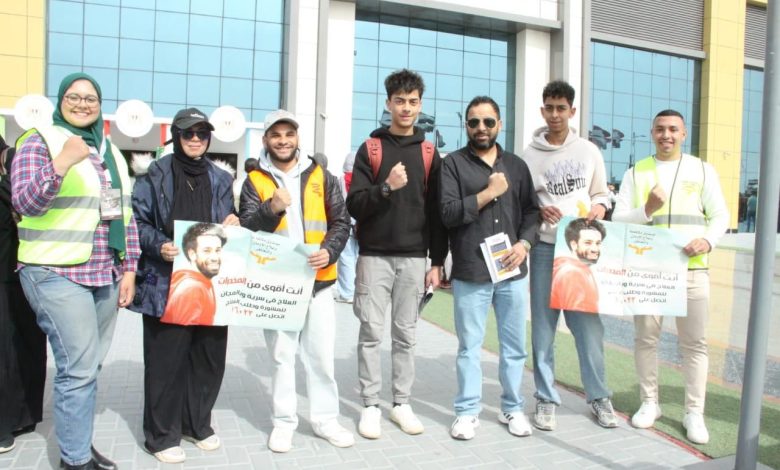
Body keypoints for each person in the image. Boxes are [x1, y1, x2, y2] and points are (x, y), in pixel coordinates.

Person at [11, 72, 140, 470]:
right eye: (74, 96)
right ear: (60, 100)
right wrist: (62, 163)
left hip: (104, 273)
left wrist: (129, 268)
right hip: (54, 270)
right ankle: (75, 459)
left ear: (100, 105)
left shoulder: (108, 150)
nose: (83, 104)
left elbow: (122, 213)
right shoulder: (39, 140)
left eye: (91, 98)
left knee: (88, 366)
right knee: (79, 368)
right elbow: (24, 203)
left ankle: (78, 445)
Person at [612, 109, 729, 445]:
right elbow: (618, 220)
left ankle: (694, 412)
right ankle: (650, 402)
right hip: (650, 272)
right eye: (661, 129)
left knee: (695, 344)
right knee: (646, 339)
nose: (667, 135)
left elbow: (720, 215)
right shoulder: (636, 172)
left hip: (693, 269)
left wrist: (708, 240)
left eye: (673, 129)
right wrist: (647, 209)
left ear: (684, 134)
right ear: (652, 133)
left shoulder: (702, 170)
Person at [239, 109, 353, 452]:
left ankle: (325, 420)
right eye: (276, 135)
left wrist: (329, 251)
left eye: (289, 134)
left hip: (318, 281)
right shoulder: (254, 181)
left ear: (298, 137)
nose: (283, 141)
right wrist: (271, 208)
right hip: (276, 284)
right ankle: (284, 422)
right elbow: (247, 230)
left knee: (321, 358)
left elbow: (341, 221)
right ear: (265, 140)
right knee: (281, 357)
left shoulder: (322, 175)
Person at [130, 107, 238, 464]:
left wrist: (233, 225)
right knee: (166, 363)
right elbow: (137, 222)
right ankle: (161, 436)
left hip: (210, 283)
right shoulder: (154, 174)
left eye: (202, 133)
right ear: (176, 136)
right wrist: (158, 245)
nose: (195, 139)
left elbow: (228, 224)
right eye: (188, 133)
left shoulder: (220, 178)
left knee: (208, 359)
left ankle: (196, 424)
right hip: (166, 281)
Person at [347, 69, 448, 439]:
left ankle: (401, 403)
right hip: (374, 256)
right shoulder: (370, 149)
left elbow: (437, 213)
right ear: (388, 103)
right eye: (400, 101)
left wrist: (437, 262)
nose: (406, 108)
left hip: (413, 258)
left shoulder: (429, 153)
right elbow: (355, 204)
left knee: (406, 335)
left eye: (413, 101)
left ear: (420, 105)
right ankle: (371, 404)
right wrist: (386, 187)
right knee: (371, 332)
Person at [439, 96, 540, 440]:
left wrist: (524, 244)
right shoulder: (452, 165)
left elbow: (532, 212)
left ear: (500, 124)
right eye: (473, 122)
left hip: (512, 270)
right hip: (472, 269)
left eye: (488, 121)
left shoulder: (517, 166)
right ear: (466, 126)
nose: (481, 128)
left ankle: (512, 408)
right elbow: (448, 214)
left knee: (514, 347)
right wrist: (488, 193)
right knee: (470, 347)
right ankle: (467, 412)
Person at [521, 80, 617, 431]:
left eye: (561, 108)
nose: (555, 114)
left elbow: (602, 194)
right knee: (543, 329)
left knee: (588, 328)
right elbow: (524, 203)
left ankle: (599, 396)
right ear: (542, 110)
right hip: (545, 249)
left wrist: (599, 207)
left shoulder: (589, 151)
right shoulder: (528, 156)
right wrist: (539, 212)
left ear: (572, 111)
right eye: (549, 108)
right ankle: (545, 398)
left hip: (579, 251)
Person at [0, 135, 46, 454]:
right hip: (13, 274)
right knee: (10, 350)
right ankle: (11, 421)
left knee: (25, 346)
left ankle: (22, 417)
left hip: (26, 273)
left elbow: (27, 205)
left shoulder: (16, 174)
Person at [161, 223, 227, 326]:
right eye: (207, 251)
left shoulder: (197, 282)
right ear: (192, 254)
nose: (214, 258)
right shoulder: (193, 287)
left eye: (217, 250)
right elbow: (181, 330)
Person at [550, 218, 607, 313]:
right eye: (588, 243)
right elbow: (580, 314)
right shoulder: (573, 273)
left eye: (598, 243)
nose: (594, 249)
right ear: (574, 245)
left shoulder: (571, 267)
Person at [335, 151, 358, 303]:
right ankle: (359, 292)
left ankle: (347, 293)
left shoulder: (341, 180)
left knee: (346, 258)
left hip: (346, 223)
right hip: (364, 225)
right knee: (360, 258)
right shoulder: (365, 180)